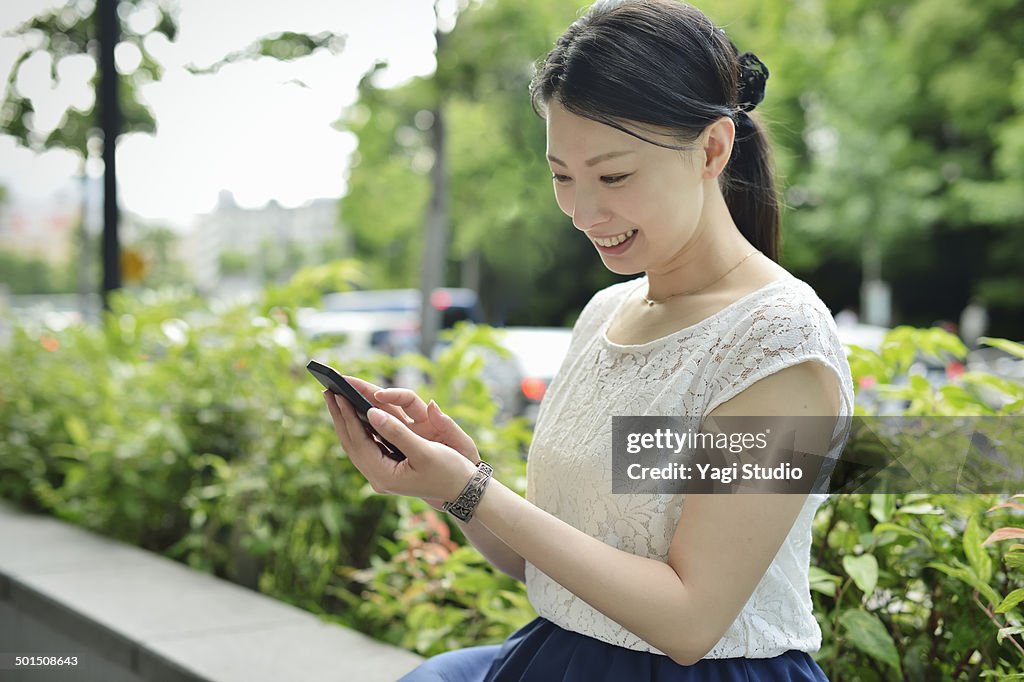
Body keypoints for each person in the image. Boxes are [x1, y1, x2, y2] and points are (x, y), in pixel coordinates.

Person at [321, 1, 854, 679]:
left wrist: (476, 491)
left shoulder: (777, 341)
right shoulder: (607, 311)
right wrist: (454, 479)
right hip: (558, 654)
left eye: (613, 176)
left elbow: (691, 620)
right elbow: (541, 563)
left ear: (713, 149)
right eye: (561, 176)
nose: (582, 211)